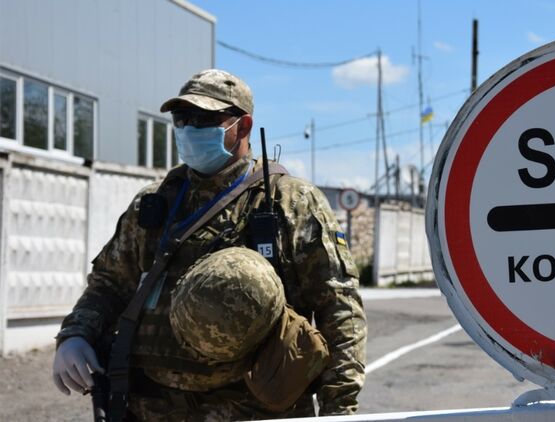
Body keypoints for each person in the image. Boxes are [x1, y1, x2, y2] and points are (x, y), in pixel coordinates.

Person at [52, 69, 367, 420]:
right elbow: (110, 283)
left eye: (204, 119)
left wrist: (340, 410)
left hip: (253, 411)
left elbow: (339, 308)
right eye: (181, 118)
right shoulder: (155, 202)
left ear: (243, 126)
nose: (189, 128)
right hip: (150, 407)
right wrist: (76, 334)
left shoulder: (290, 203)